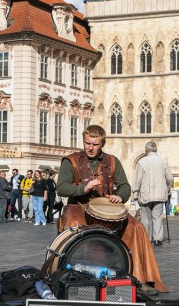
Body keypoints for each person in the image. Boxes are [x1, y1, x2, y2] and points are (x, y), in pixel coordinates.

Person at [58, 125, 168, 292]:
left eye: (95, 144)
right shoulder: (70, 160)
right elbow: (61, 188)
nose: (90, 147)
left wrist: (120, 196)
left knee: (136, 227)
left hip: (107, 207)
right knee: (74, 222)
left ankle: (140, 279)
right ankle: (71, 275)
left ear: (102, 143)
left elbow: (125, 186)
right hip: (78, 205)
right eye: (87, 143)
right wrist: (83, 189)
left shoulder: (112, 161)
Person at [133, 141, 173, 247]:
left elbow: (138, 179)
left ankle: (147, 238)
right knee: (157, 217)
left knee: (145, 218)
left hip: (145, 194)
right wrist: (168, 189)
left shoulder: (142, 162)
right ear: (156, 150)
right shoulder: (163, 161)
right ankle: (158, 239)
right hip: (160, 194)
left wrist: (135, 192)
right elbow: (170, 178)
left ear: (146, 151)